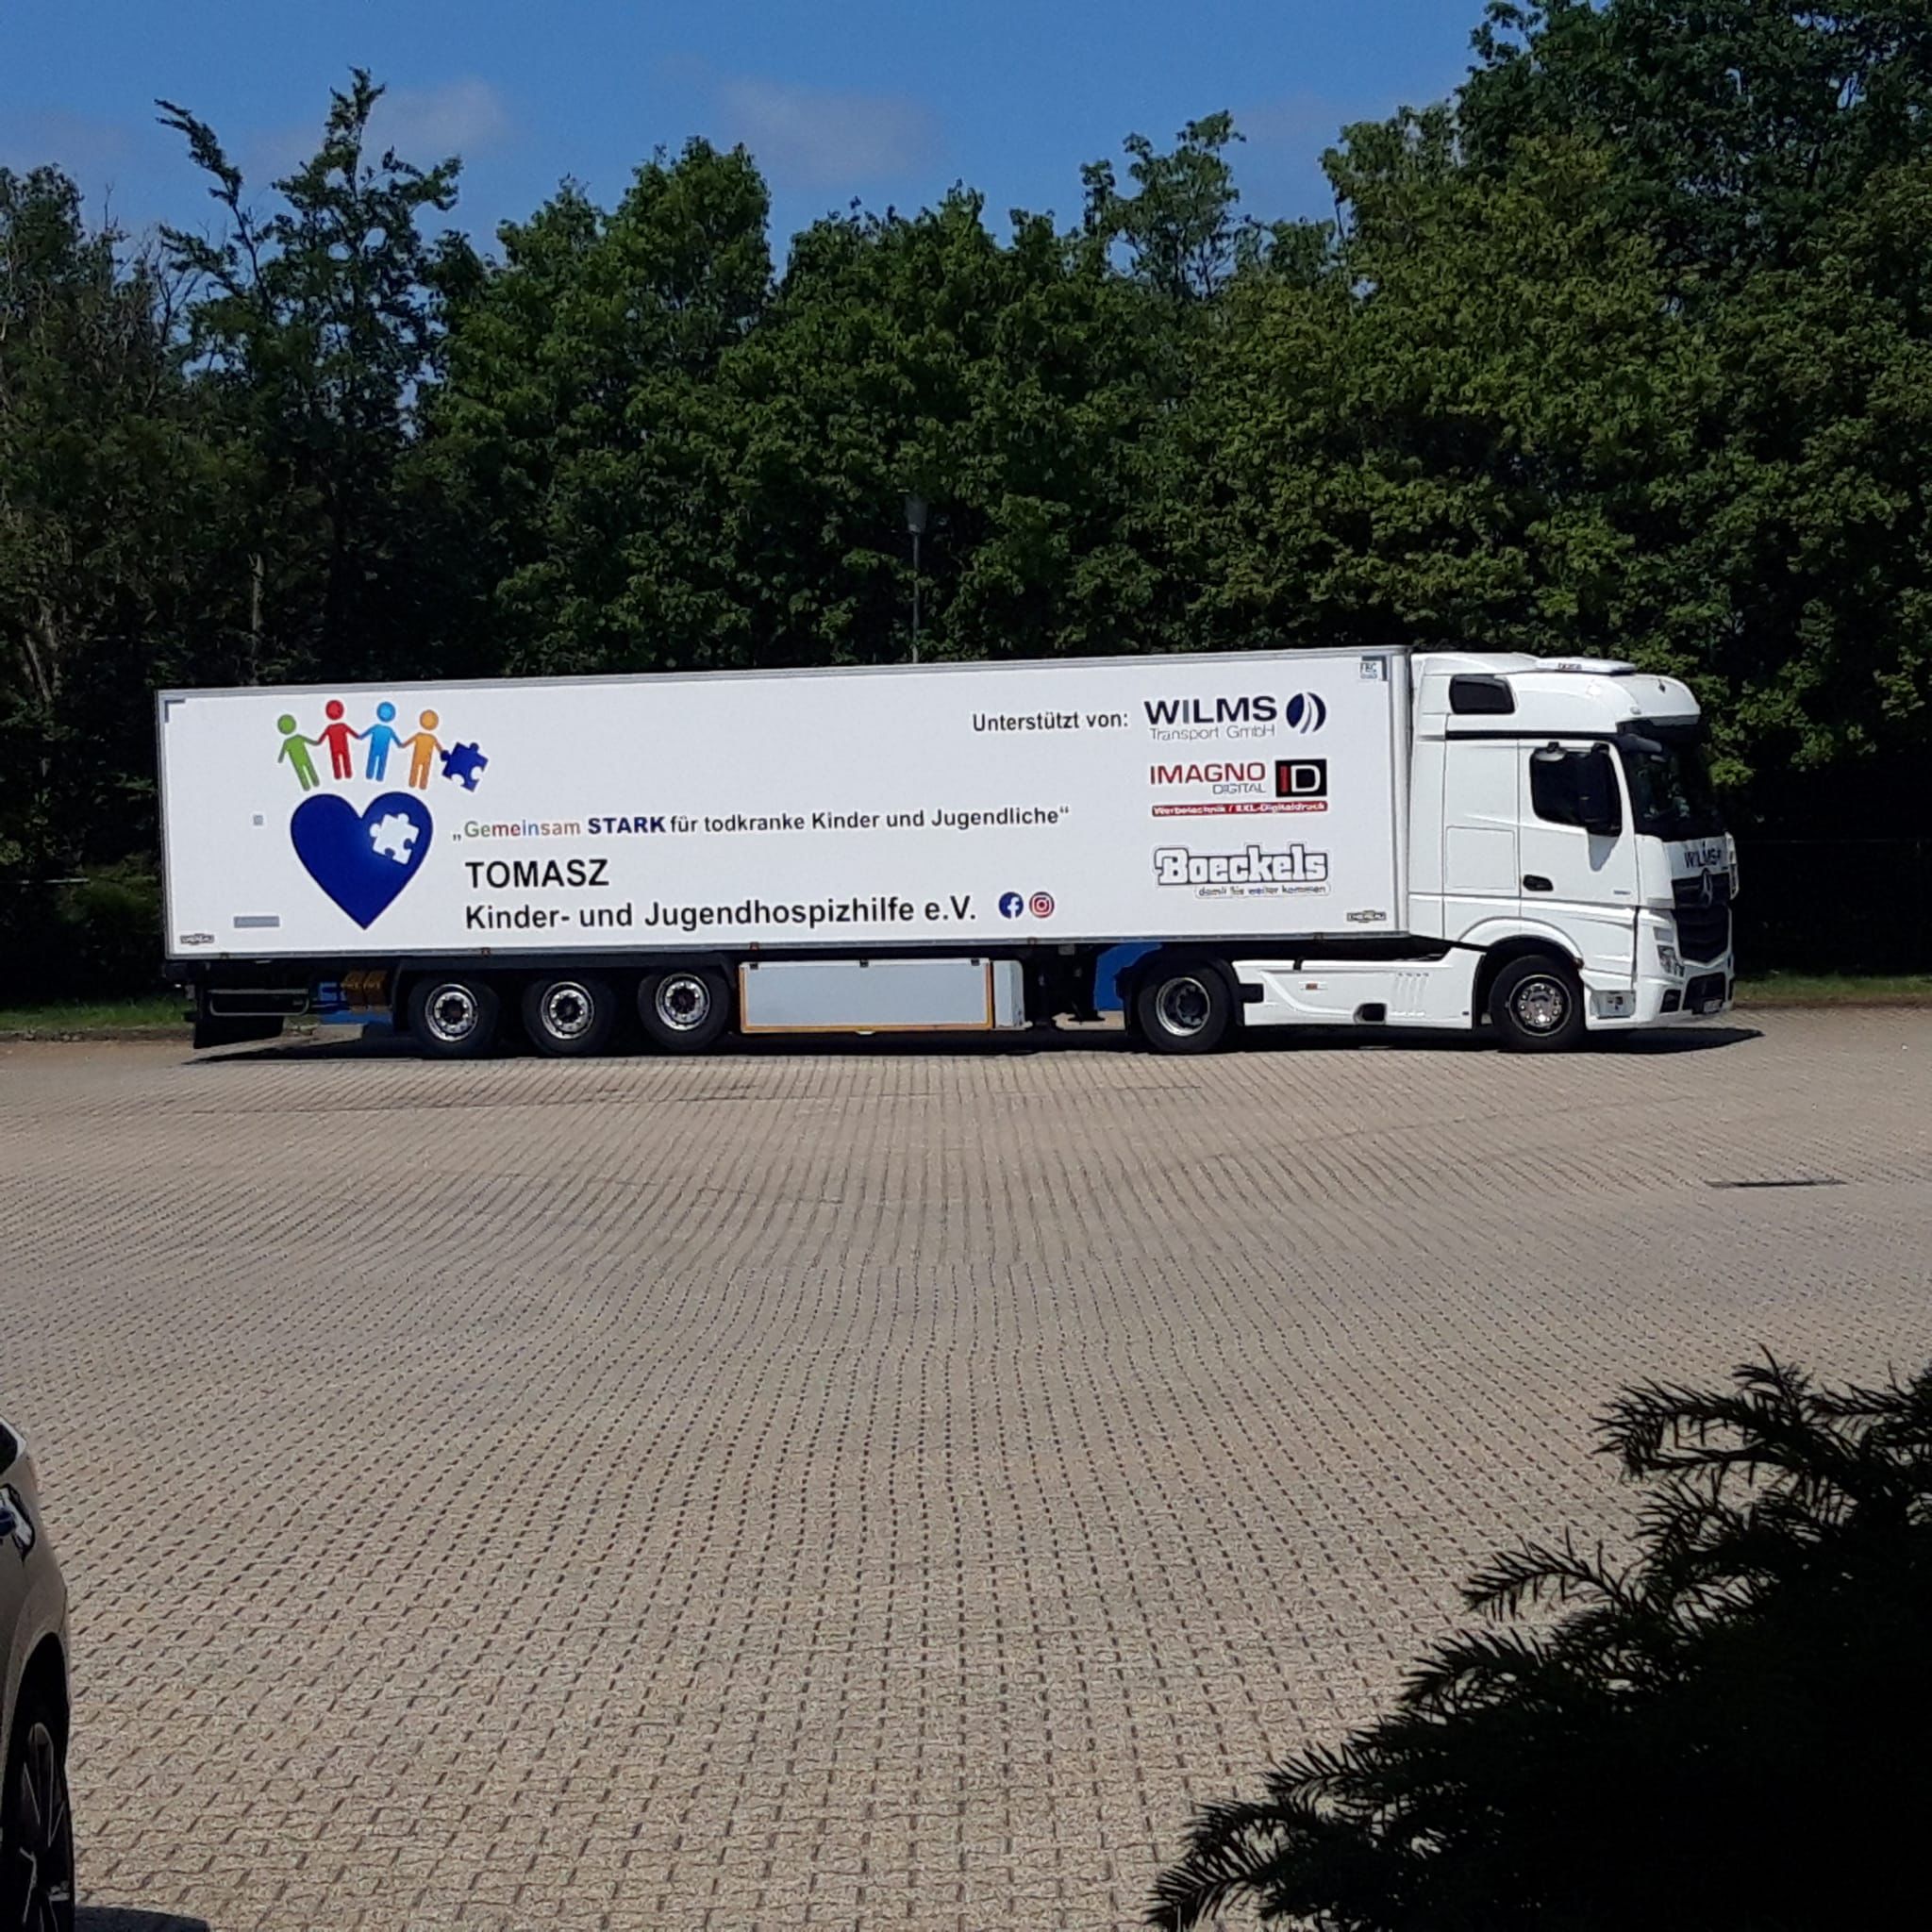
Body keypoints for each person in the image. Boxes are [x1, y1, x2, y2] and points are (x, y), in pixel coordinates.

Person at [316, 699, 360, 781]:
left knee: (337, 761)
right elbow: (353, 733)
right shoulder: (342, 726)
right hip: (343, 748)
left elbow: (322, 738)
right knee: (344, 759)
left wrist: (317, 742)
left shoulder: (330, 728)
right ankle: (347, 774)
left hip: (335, 749)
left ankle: (339, 775)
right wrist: (358, 736)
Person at [275, 714, 321, 791]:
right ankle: (314, 782)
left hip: (297, 761)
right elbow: (310, 741)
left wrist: (281, 759)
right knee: (308, 769)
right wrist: (316, 743)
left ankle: (307, 785)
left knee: (302, 771)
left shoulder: (288, 742)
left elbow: (283, 753)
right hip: (304, 758)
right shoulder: (296, 738)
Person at [404, 709, 446, 790]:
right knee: (422, 770)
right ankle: (419, 784)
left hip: (420, 757)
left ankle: (414, 783)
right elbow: (439, 748)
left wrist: (402, 745)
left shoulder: (421, 736)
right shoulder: (431, 738)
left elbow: (408, 742)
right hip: (425, 758)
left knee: (418, 769)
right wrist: (443, 754)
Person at [363, 701, 404, 781]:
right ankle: (378, 777)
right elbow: (397, 742)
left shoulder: (376, 728)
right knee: (381, 762)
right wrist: (401, 745)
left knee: (373, 761)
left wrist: (359, 737)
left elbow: (364, 735)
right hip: (382, 751)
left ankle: (370, 775)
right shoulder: (389, 730)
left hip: (375, 750)